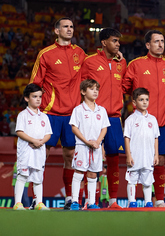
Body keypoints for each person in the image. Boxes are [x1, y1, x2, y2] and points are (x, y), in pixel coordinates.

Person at [30, 17, 86, 209]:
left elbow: (95, 67)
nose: (69, 29)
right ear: (56, 31)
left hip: (72, 115)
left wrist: (115, 55)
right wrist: (34, 110)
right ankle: (35, 199)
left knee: (70, 156)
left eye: (71, 26)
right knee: (41, 155)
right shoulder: (45, 54)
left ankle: (70, 198)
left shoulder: (80, 53)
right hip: (49, 113)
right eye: (65, 26)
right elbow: (35, 83)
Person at [123, 30, 165, 207]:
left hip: (161, 123)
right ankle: (132, 201)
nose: (160, 44)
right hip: (139, 124)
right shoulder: (136, 65)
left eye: (162, 41)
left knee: (159, 160)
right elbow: (123, 88)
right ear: (148, 45)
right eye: (156, 41)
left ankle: (158, 200)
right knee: (136, 161)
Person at [80, 28, 127, 208]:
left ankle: (113, 201)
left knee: (114, 158)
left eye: (118, 41)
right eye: (114, 41)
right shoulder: (90, 62)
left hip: (114, 117)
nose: (118, 44)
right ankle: (88, 201)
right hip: (94, 116)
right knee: (90, 158)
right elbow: (81, 87)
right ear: (104, 42)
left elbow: (126, 85)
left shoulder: (121, 63)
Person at [69, 79, 110, 210]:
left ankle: (91, 202)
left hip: (96, 147)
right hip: (82, 146)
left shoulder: (101, 110)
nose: (95, 91)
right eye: (92, 89)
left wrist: (98, 142)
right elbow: (74, 128)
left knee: (93, 174)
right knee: (79, 172)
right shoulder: (78, 109)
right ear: (83, 91)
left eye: (97, 89)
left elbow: (104, 128)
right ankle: (75, 201)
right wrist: (86, 141)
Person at [13, 84, 52, 210]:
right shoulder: (22, 115)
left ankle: (39, 202)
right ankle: (18, 203)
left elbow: (48, 134)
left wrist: (40, 142)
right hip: (26, 151)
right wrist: (33, 140)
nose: (38, 99)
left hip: (39, 151)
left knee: (38, 177)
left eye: (40, 96)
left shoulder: (44, 117)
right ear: (26, 98)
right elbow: (19, 132)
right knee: (22, 175)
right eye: (34, 96)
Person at [124, 88, 159, 208]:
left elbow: (155, 138)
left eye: (147, 99)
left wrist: (156, 154)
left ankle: (148, 202)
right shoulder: (130, 120)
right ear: (134, 103)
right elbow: (127, 138)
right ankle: (131, 201)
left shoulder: (153, 119)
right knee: (132, 179)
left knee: (148, 179)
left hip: (148, 155)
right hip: (135, 155)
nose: (145, 102)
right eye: (141, 100)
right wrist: (128, 155)